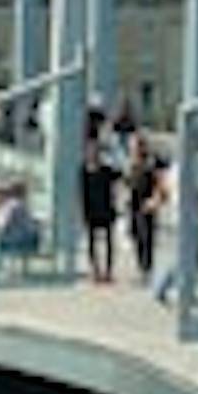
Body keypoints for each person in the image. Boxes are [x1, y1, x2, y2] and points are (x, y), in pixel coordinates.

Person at [76, 107, 122, 285]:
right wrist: (82, 210)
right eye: (90, 152)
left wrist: (112, 150)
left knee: (109, 241)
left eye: (95, 152)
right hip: (91, 209)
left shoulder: (106, 170)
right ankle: (95, 271)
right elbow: (81, 192)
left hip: (106, 208)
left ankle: (108, 272)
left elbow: (120, 176)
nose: (93, 154)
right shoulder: (83, 171)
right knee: (92, 242)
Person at [122, 126, 166, 288]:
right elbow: (127, 181)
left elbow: (160, 182)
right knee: (135, 236)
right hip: (133, 204)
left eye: (139, 145)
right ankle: (141, 269)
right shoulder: (132, 163)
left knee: (146, 238)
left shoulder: (151, 163)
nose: (136, 148)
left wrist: (155, 200)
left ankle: (147, 271)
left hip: (146, 204)